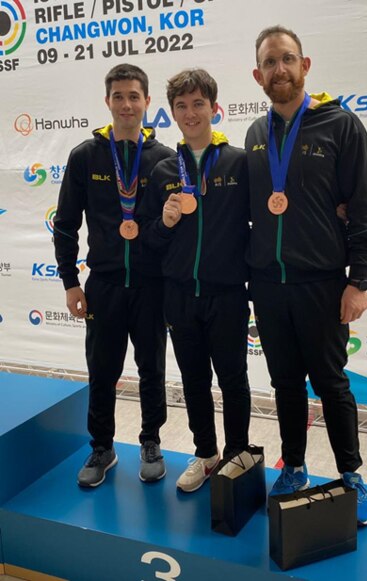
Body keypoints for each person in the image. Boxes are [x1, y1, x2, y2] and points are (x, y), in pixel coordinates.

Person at [245, 26, 367, 526]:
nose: (279, 69)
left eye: (288, 59)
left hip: (324, 283)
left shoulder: (342, 126)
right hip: (268, 285)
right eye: (269, 62)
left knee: (331, 383)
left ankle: (350, 475)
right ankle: (296, 467)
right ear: (257, 75)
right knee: (284, 384)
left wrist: (358, 280)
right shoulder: (255, 134)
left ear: (306, 65)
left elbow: (364, 208)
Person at [53, 63, 173, 488]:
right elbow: (66, 223)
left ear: (146, 102)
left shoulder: (164, 159)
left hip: (150, 285)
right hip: (102, 284)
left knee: (152, 369)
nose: (126, 104)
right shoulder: (85, 156)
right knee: (102, 370)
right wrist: (70, 281)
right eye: (118, 96)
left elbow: (174, 229)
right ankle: (102, 447)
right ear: (107, 102)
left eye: (134, 96)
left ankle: (151, 440)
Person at [142, 68, 251, 492]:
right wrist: (166, 223)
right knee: (194, 382)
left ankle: (237, 456)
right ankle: (206, 454)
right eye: (182, 106)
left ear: (214, 108)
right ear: (172, 113)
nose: (190, 113)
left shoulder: (240, 162)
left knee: (233, 379)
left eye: (198, 104)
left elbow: (261, 220)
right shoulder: (164, 168)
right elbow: (150, 238)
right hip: (181, 295)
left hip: (226, 295)